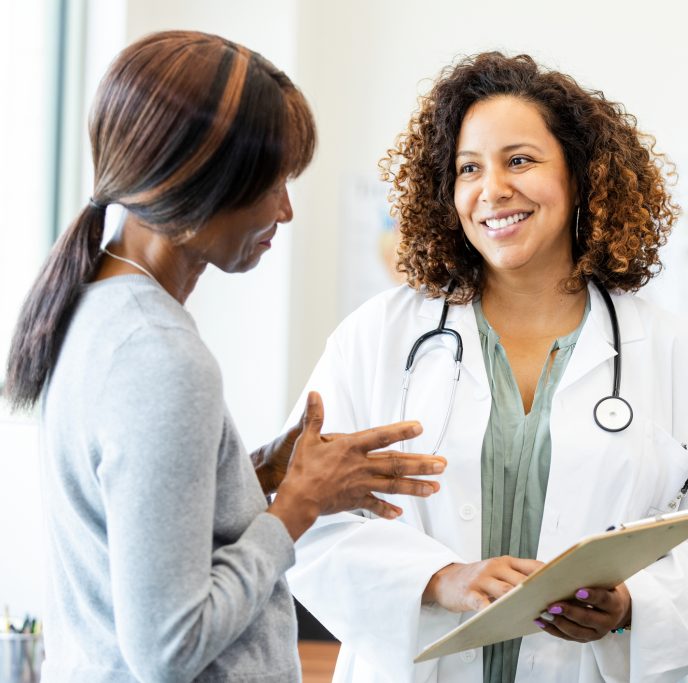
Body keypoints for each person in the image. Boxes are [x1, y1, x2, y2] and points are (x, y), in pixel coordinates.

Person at [286, 52, 688, 682]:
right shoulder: (377, 337)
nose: (493, 189)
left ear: (581, 176)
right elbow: (305, 517)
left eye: (519, 160)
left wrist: (630, 607)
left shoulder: (670, 351)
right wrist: (439, 580)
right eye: (469, 168)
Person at [3, 31, 448, 682]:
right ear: (202, 182)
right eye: (275, 184)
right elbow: (171, 645)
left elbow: (147, 526)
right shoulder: (161, 358)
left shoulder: (93, 309)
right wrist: (296, 507)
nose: (288, 211)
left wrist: (258, 473)